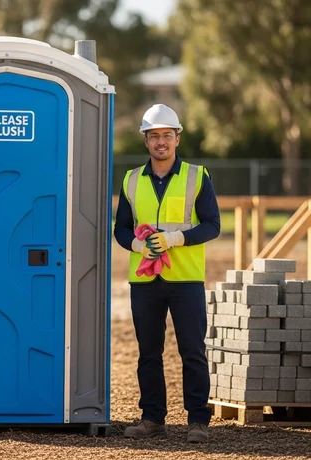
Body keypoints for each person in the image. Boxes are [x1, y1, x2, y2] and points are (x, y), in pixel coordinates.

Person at [114, 103, 221, 443]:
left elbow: (213, 225)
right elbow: (121, 230)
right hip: (144, 280)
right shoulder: (131, 180)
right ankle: (152, 418)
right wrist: (137, 246)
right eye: (154, 136)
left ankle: (198, 421)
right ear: (145, 140)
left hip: (186, 278)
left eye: (167, 135)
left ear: (177, 138)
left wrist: (177, 238)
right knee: (148, 352)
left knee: (192, 350)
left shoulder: (196, 176)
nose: (161, 141)